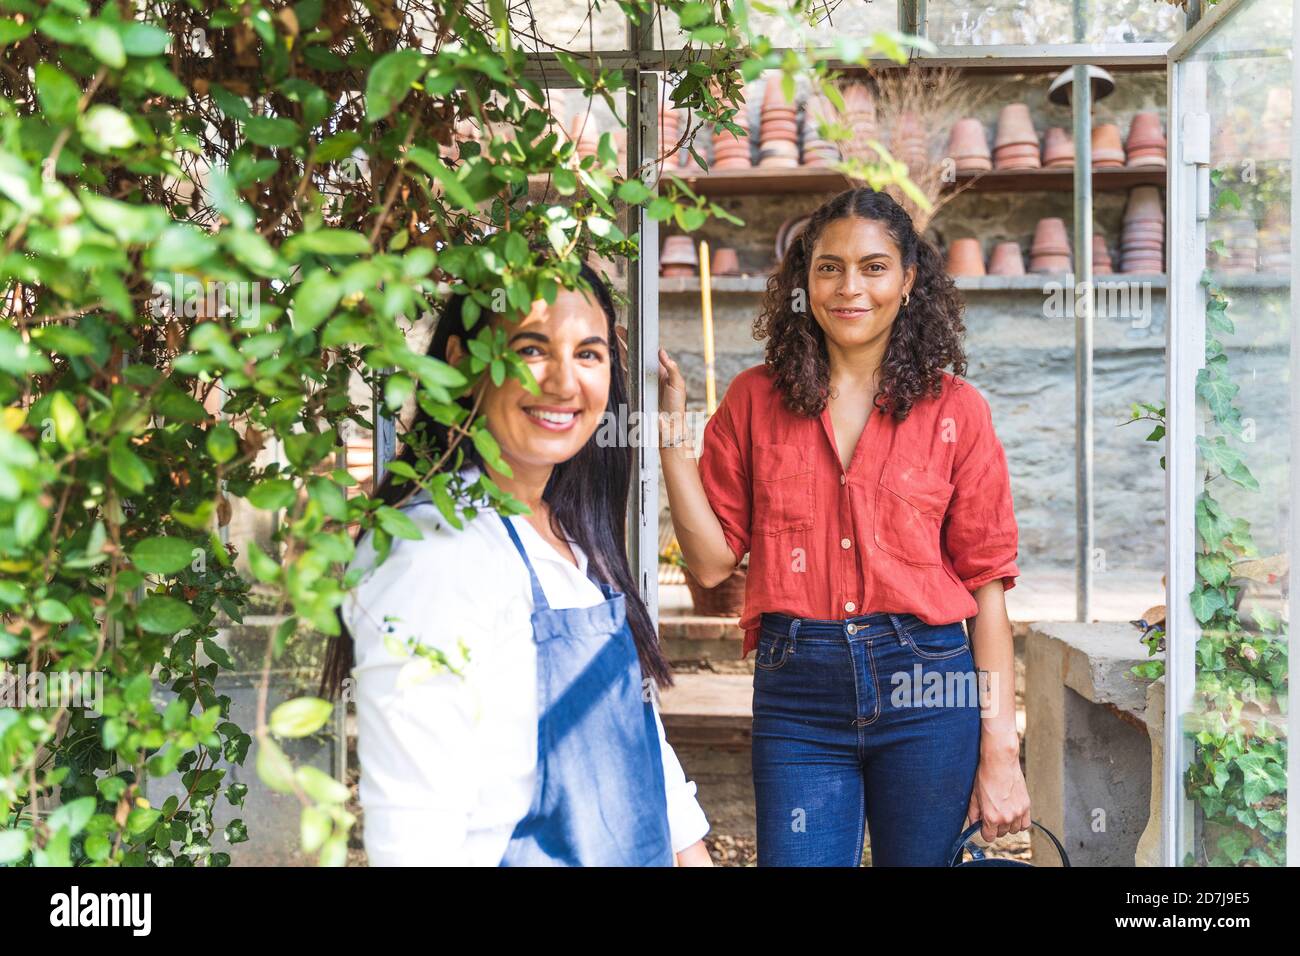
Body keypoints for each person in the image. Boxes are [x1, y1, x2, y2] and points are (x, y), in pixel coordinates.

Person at [658, 187, 1030, 866]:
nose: (849, 287)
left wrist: (1000, 746)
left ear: (909, 278)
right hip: (799, 693)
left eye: (873, 267)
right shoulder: (753, 401)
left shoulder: (958, 412)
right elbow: (711, 565)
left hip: (929, 688)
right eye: (829, 267)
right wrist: (670, 439)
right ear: (805, 279)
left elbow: (987, 590)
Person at [321, 259, 712, 866]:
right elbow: (415, 841)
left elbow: (641, 747)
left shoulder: (569, 535)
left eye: (589, 353)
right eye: (532, 348)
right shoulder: (434, 552)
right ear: (460, 361)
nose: (562, 382)